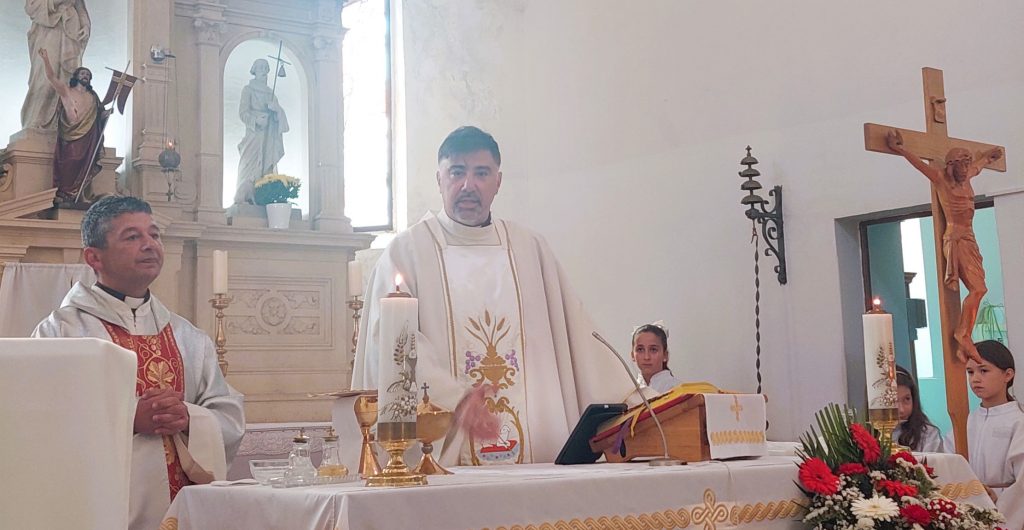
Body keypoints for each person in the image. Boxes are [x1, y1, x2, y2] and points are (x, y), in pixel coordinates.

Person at [352, 126, 635, 466]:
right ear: (439, 179)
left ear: (498, 182)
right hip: (445, 458)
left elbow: (579, 335)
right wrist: (453, 399)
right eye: (457, 172)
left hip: (536, 457)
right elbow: (391, 342)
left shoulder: (529, 249)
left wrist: (636, 399)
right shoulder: (408, 252)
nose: (468, 185)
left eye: (481, 173)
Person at [32, 196, 245, 530]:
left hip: (184, 511)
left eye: (154, 234)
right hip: (97, 514)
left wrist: (190, 418)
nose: (149, 244)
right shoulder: (63, 332)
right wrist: (128, 418)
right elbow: (40, 420)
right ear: (94, 257)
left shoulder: (188, 337)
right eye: (132, 237)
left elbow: (228, 415)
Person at [886, 129, 1003, 364]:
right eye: (962, 165)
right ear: (951, 166)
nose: (966, 169)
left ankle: (962, 342)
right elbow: (919, 165)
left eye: (968, 164)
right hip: (955, 238)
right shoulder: (941, 179)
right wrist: (899, 149)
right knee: (978, 289)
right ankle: (962, 334)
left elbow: (978, 166)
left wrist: (988, 157)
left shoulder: (967, 177)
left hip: (969, 238)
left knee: (980, 289)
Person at [965, 340, 1024, 528]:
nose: (975, 379)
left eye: (984, 371)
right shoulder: (968, 420)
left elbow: (1022, 482)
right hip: (969, 505)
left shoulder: (1018, 420)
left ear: (1008, 375)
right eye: (970, 372)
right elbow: (953, 463)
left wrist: (999, 505)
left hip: (1007, 508)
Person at [38, 47, 106, 205]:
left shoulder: (93, 96)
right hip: (70, 133)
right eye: (82, 73)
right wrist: (46, 59)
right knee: (69, 163)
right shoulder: (67, 91)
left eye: (88, 75)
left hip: (88, 136)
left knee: (85, 165)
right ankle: (64, 193)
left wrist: (106, 114)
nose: (85, 76)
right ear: (76, 76)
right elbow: (51, 77)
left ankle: (80, 194)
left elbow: (99, 116)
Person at [22, 0, 91, 130]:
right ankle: (36, 119)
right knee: (44, 77)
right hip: (48, 29)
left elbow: (80, 6)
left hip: (71, 30)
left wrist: (86, 25)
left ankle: (64, 123)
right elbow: (31, 6)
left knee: (68, 79)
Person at [234, 58, 289, 205]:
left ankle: (263, 195)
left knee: (266, 164)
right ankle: (244, 195)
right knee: (248, 163)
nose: (263, 71)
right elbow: (243, 112)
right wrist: (256, 120)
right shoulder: (248, 90)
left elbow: (281, 117)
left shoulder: (271, 94)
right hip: (254, 134)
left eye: (266, 68)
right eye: (260, 68)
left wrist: (276, 110)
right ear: (254, 71)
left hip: (268, 135)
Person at [892, 366, 947, 453]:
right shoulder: (870, 434)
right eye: (893, 401)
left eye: (907, 399)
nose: (902, 410)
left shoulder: (928, 434)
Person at [631, 322, 681, 394]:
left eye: (653, 350)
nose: (647, 357)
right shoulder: (629, 393)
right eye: (640, 349)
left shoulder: (678, 390)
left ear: (665, 355)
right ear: (632, 355)